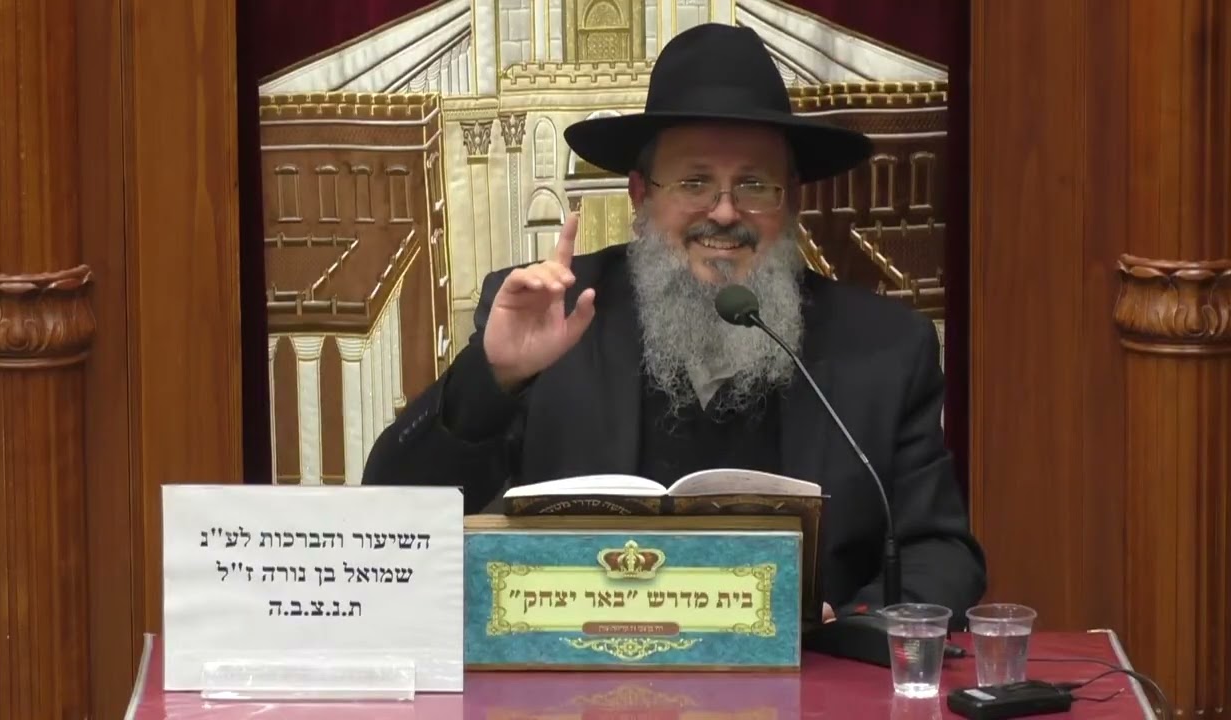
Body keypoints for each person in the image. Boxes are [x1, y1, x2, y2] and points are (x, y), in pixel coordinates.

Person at [362, 23, 986, 624]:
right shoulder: (552, 313)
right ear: (641, 194)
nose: (724, 212)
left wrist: (847, 628)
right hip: (582, 675)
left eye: (754, 184)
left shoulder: (883, 348)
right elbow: (395, 516)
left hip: (803, 678)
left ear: (792, 199)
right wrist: (492, 378)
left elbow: (941, 555)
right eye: (694, 182)